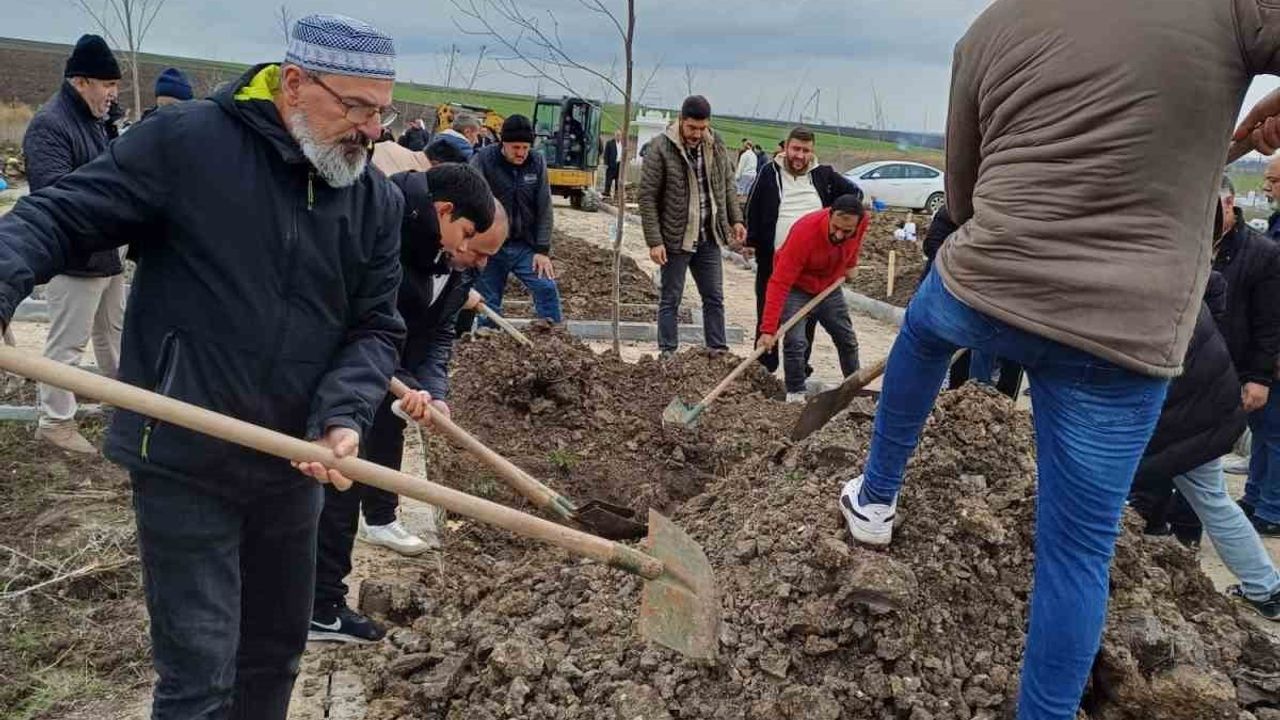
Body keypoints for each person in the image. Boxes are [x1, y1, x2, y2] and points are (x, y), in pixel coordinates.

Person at [835, 0, 1280, 716]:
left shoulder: (990, 28)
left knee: (921, 327)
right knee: (1077, 555)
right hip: (1127, 330)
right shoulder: (1228, 9)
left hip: (997, 281)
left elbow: (962, 193)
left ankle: (877, 496)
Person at [0, 14, 405, 717]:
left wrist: (342, 417)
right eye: (357, 108)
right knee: (200, 677)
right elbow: (59, 216)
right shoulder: (189, 146)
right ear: (295, 85)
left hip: (293, 465)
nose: (373, 130)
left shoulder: (371, 201)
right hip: (184, 454)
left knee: (273, 659)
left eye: (383, 111)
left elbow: (374, 328)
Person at [312, 165, 501, 642]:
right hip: (349, 373)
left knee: (380, 450)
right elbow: (366, 320)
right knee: (341, 477)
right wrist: (398, 379)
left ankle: (378, 523)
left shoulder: (452, 263)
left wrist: (432, 390)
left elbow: (437, 335)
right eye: (473, 245)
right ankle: (321, 606)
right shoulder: (394, 234)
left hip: (395, 376)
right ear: (445, 215)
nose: (474, 260)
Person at [1129, 266, 1280, 621]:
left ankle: (1265, 587)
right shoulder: (1182, 275)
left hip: (1185, 416)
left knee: (1204, 498)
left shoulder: (1139, 293)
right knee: (1213, 499)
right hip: (1204, 407)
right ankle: (1266, 587)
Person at [21, 34, 123, 454]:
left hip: (106, 251)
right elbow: (54, 195)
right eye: (106, 85)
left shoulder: (94, 121)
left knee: (113, 336)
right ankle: (55, 422)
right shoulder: (50, 125)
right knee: (66, 345)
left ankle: (123, 404)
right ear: (80, 82)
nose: (113, 93)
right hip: (73, 257)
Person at [744, 126, 861, 376]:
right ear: (786, 148)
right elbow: (753, 206)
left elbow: (855, 200)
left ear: (812, 152)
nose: (800, 155)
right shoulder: (769, 172)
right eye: (795, 149)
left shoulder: (824, 176)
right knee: (769, 310)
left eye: (806, 150)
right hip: (774, 259)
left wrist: (847, 255)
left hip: (812, 262)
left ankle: (799, 370)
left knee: (806, 319)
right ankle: (763, 367)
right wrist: (751, 241)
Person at [638, 95, 744, 357]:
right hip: (676, 238)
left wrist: (736, 219)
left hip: (708, 235)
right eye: (692, 128)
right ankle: (668, 353)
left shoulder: (715, 144)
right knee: (670, 298)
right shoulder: (660, 148)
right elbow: (647, 197)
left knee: (714, 297)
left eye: (702, 128)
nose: (697, 134)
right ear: (681, 121)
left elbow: (727, 183)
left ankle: (717, 351)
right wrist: (655, 241)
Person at [1210, 175, 1280, 538]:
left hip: (1256, 360)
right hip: (1219, 361)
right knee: (1262, 430)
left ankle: (1272, 508)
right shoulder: (1203, 241)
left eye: (1274, 179)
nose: (1268, 186)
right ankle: (1255, 500)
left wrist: (1261, 374)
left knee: (1274, 434)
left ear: (1229, 203)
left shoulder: (1263, 251)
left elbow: (1269, 319)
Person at [755, 197, 868, 402]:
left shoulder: (860, 222)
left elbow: (855, 242)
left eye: (847, 231)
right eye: (836, 228)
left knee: (847, 339)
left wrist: (851, 263)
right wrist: (768, 329)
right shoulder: (804, 232)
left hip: (828, 286)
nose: (839, 234)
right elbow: (779, 282)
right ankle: (796, 394)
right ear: (829, 214)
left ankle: (854, 392)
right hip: (797, 287)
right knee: (796, 342)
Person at [470, 114, 562, 323]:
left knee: (546, 287)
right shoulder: (484, 160)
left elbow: (544, 207)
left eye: (525, 148)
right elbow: (472, 200)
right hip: (492, 247)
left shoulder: (536, 162)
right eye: (515, 148)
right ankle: (489, 343)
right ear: (503, 143)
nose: (521, 153)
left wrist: (542, 250)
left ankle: (553, 337)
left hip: (524, 246)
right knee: (489, 301)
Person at [603, 129, 622, 198]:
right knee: (609, 179)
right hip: (611, 164)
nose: (618, 136)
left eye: (619, 135)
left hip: (619, 165)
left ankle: (617, 194)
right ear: (614, 135)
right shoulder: (610, 143)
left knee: (618, 180)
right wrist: (605, 163)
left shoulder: (623, 144)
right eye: (617, 135)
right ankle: (607, 193)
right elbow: (606, 154)